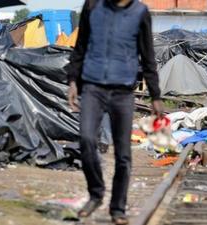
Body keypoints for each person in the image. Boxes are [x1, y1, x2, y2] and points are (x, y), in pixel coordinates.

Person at [66, 0, 163, 224]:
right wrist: (72, 81)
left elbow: (148, 57)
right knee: (86, 139)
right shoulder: (92, 6)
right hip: (92, 87)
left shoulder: (140, 13)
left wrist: (155, 96)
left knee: (123, 155)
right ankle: (96, 193)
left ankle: (117, 208)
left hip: (123, 92)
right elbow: (80, 46)